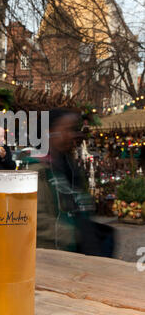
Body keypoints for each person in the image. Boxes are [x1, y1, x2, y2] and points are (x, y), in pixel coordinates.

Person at [34, 108, 114, 257]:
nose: (72, 135)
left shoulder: (67, 164)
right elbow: (35, 220)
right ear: (50, 132)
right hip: (50, 258)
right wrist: (77, 234)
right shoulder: (35, 169)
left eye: (74, 130)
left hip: (72, 255)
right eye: (67, 129)